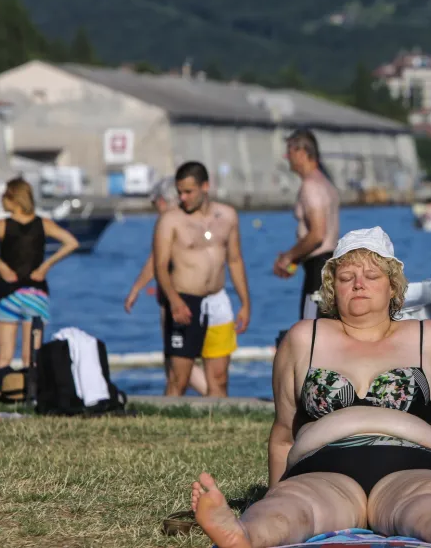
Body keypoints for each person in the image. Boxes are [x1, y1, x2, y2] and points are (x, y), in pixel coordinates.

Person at [190, 226, 431, 548]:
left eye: (371, 276)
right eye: (346, 278)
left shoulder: (427, 338)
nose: (358, 284)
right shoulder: (304, 338)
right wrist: (275, 490)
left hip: (413, 461)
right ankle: (245, 535)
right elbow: (283, 436)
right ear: (333, 289)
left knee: (422, 502)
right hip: (324, 463)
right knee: (293, 505)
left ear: (392, 287)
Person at [154, 161, 250, 397]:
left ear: (205, 186)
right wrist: (174, 301)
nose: (182, 198)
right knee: (179, 378)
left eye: (188, 191)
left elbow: (235, 260)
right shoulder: (170, 220)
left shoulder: (227, 216)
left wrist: (245, 303)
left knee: (219, 377)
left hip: (218, 301)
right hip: (185, 301)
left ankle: (218, 429)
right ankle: (165, 427)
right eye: (179, 192)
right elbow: (160, 266)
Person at [0, 178, 79, 368]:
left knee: (4, 357)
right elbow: (72, 242)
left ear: (13, 198)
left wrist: (0, 265)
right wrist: (45, 266)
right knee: (31, 357)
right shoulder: (44, 224)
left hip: (8, 293)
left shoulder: (2, 225)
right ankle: (31, 396)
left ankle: (0, 393)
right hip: (35, 294)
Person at [124, 180, 208, 396]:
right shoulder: (192, 219)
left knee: (177, 360)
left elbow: (155, 261)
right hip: (190, 296)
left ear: (161, 201)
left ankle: (211, 395)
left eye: (154, 203)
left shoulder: (169, 221)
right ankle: (208, 394)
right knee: (178, 359)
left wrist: (136, 289)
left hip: (175, 300)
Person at [273, 128, 341, 320]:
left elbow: (317, 235)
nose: (287, 157)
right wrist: (296, 258)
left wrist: (288, 257)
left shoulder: (310, 186)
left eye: (290, 151)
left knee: (311, 333)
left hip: (318, 270)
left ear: (302, 153)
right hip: (327, 265)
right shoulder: (325, 183)